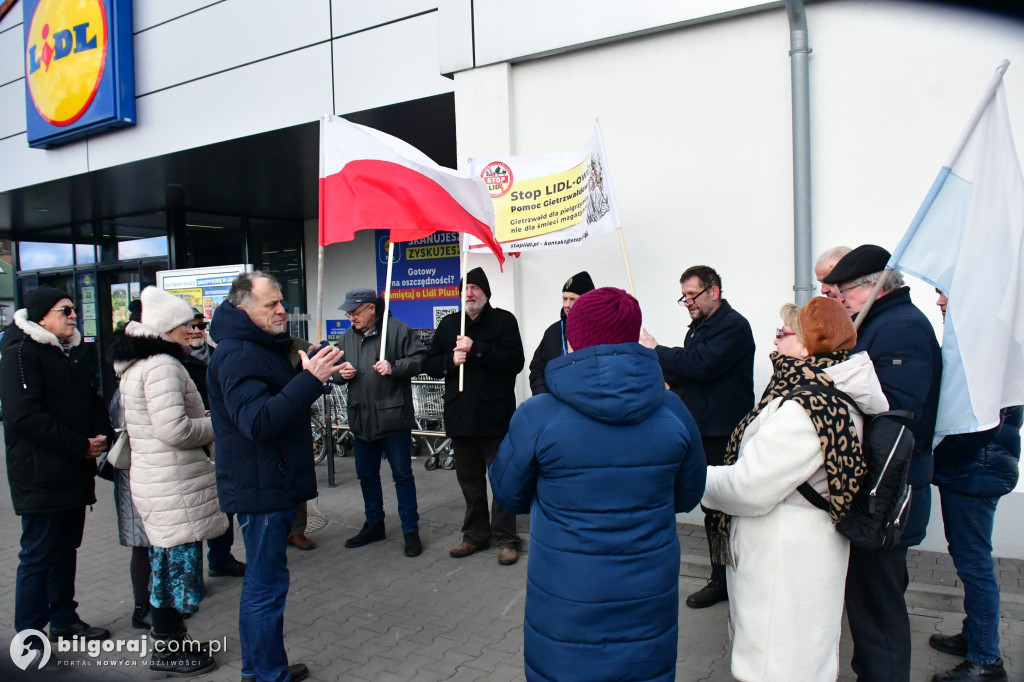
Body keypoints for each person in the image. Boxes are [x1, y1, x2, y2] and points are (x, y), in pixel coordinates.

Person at [490, 287, 706, 682]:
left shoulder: (538, 414)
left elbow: (508, 495)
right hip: (648, 588)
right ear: (635, 335)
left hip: (567, 592)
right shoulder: (673, 409)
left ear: (573, 337)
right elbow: (688, 495)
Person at [702, 298, 888, 682]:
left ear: (806, 347)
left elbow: (750, 487)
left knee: (779, 665)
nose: (775, 341)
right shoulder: (821, 393)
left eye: (782, 333)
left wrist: (697, 478)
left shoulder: (808, 408)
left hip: (786, 558)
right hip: (796, 551)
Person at [207, 271, 341, 682]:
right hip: (261, 488)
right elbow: (259, 422)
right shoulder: (237, 354)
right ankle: (264, 674)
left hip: (271, 482)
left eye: (281, 301)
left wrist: (309, 374)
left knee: (268, 586)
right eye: (272, 304)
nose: (282, 310)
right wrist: (309, 380)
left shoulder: (260, 347)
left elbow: (277, 401)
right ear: (243, 308)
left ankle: (266, 667)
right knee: (264, 590)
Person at [822, 244, 942, 682]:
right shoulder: (882, 322)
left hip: (889, 491)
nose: (841, 299)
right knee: (870, 601)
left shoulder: (901, 328)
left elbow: (896, 420)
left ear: (875, 286)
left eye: (845, 290)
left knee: (879, 604)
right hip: (881, 489)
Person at [108, 286, 228, 676]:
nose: (190, 332)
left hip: (159, 476)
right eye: (185, 326)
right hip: (172, 479)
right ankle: (169, 648)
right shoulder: (161, 364)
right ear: (166, 329)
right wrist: (217, 425)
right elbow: (175, 430)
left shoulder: (138, 363)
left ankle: (173, 638)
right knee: (174, 568)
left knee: (166, 562)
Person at [0, 286, 113, 657]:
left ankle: (65, 619)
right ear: (42, 317)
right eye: (65, 310)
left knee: (66, 549)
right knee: (38, 554)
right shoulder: (20, 353)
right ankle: (29, 639)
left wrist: (101, 434)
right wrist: (79, 445)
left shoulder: (72, 353)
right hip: (39, 475)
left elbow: (92, 399)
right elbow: (24, 417)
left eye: (73, 309)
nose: (74, 315)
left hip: (72, 473)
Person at [639, 265, 755, 608]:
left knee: (724, 509)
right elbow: (693, 371)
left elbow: (701, 365)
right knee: (712, 508)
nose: (687, 302)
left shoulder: (733, 326)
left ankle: (733, 579)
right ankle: (721, 578)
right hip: (704, 428)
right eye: (684, 296)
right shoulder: (701, 327)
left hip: (723, 432)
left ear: (714, 291)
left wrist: (656, 350)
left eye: (693, 295)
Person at [929, 290, 1017, 682]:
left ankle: (986, 659)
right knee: (968, 557)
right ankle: (973, 636)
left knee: (974, 562)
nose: (940, 303)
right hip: (973, 468)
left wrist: (938, 455)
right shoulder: (986, 342)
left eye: (945, 296)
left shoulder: (988, 347)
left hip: (976, 470)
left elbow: (984, 423)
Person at [423, 267, 525, 565]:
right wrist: (451, 361)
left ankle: (506, 538)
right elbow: (430, 364)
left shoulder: (504, 321)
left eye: (475, 288)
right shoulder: (449, 324)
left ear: (486, 293)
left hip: (496, 418)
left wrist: (476, 349)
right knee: (470, 482)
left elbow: (514, 361)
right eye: (465, 289)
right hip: (461, 417)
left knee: (502, 480)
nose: (469, 293)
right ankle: (475, 536)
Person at [335, 288, 427, 557]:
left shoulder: (397, 330)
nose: (351, 317)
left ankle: (411, 531)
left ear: (371, 308)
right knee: (366, 476)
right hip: (362, 420)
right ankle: (374, 524)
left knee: (402, 477)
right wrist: (342, 373)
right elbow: (335, 373)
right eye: (349, 313)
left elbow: (421, 359)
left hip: (393, 420)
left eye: (355, 312)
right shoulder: (347, 338)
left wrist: (394, 367)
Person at [181, 308, 248, 579]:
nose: (197, 330)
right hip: (194, 444)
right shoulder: (176, 363)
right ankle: (191, 574)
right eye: (192, 326)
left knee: (224, 501)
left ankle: (221, 556)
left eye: (201, 325)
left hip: (222, 440)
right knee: (196, 508)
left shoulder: (218, 354)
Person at [527, 271, 595, 395]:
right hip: (557, 407)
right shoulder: (552, 332)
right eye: (565, 299)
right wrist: (543, 397)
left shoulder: (602, 330)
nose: (567, 304)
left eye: (573, 299)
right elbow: (537, 370)